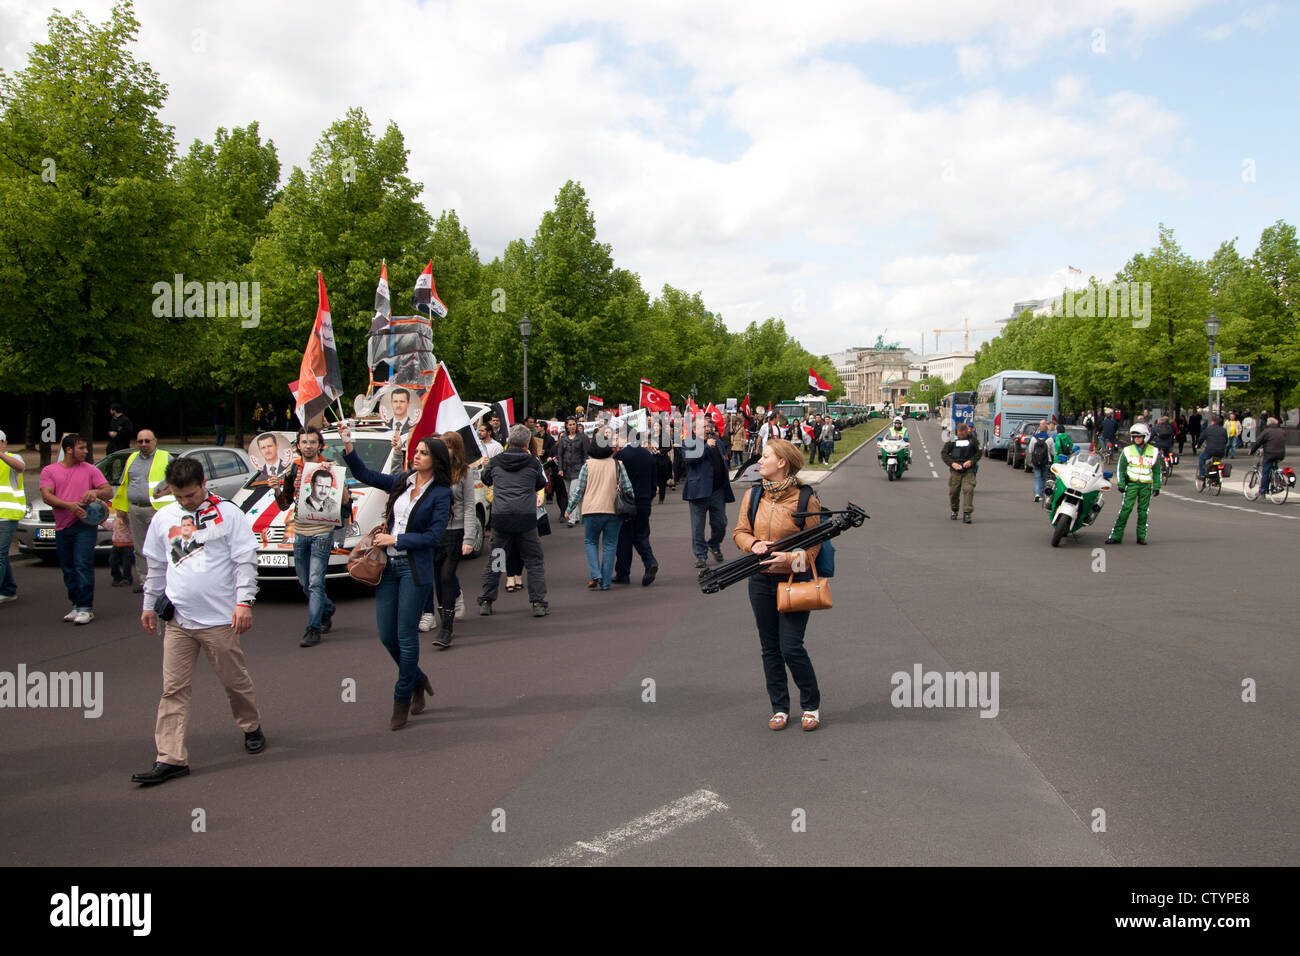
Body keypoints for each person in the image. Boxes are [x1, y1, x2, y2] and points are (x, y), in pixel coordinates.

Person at [132, 455, 265, 786]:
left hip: (219, 620)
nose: (184, 502)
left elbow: (244, 561)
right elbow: (157, 567)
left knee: (234, 682)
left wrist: (244, 602)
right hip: (178, 620)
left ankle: (250, 726)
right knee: (173, 689)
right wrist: (149, 605)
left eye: (190, 495)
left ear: (204, 484)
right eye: (178, 496)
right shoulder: (165, 518)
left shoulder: (228, 515)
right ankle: (171, 757)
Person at [340, 422, 452, 730]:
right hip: (387, 568)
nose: (416, 456)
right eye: (416, 451)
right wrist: (349, 445)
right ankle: (418, 678)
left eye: (424, 453)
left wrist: (397, 540)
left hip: (413, 569)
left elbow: (434, 536)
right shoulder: (403, 480)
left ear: (436, 460)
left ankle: (403, 696)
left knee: (405, 636)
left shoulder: (441, 493)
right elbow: (367, 476)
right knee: (386, 636)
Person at [733, 438, 824, 732]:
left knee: (791, 647)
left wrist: (787, 560)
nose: (759, 461)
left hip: (795, 581)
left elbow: (813, 550)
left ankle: (810, 704)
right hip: (760, 580)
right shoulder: (754, 495)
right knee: (769, 647)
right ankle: (780, 708)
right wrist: (754, 544)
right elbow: (739, 532)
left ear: (782, 462)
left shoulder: (805, 499)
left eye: (765, 456)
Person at [271, 426, 351, 648]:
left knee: (316, 581)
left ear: (320, 445)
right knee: (305, 582)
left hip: (322, 532)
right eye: (304, 442)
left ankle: (313, 629)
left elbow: (344, 501)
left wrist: (337, 476)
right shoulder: (292, 470)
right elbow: (284, 504)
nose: (308, 446)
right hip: (300, 530)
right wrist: (277, 489)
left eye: (312, 442)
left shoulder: (329, 466)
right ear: (298, 445)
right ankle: (326, 608)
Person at [40, 434, 113, 624]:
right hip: (62, 525)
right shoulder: (50, 470)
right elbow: (47, 496)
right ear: (69, 449)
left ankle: (86, 608)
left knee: (82, 564)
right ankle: (75, 604)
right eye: (81, 448)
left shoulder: (90, 470)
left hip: (84, 525)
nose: (86, 451)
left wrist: (95, 492)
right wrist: (69, 506)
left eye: (86, 448)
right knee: (68, 568)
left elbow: (108, 491)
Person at [478, 424, 549, 617]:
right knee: (533, 561)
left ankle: (486, 600)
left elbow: (486, 480)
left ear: (509, 441)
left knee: (497, 560)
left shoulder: (496, 461)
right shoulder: (533, 463)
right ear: (527, 443)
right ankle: (538, 603)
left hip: (501, 517)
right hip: (525, 518)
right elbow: (541, 483)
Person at [423, 430, 476, 648]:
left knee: (446, 577)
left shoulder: (464, 472)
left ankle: (447, 628)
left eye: (449, 446)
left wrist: (469, 537)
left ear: (456, 449)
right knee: (437, 578)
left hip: (455, 532)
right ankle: (443, 615)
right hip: (434, 532)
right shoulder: (433, 471)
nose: (445, 450)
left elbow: (469, 505)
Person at [564, 426, 634, 590]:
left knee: (590, 542)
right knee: (610, 545)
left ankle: (596, 574)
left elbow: (578, 490)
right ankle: (606, 582)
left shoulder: (587, 465)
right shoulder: (618, 465)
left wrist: (569, 509)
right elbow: (629, 489)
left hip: (591, 510)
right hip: (613, 510)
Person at [111, 430, 175, 594]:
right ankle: (145, 581)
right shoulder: (132, 459)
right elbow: (125, 484)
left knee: (163, 546)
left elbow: (176, 480)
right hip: (135, 508)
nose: (143, 444)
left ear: (155, 441)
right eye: (140, 441)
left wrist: (167, 492)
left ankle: (168, 580)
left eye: (147, 441)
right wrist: (122, 508)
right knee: (140, 547)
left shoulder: (165, 457)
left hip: (158, 510)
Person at [681, 416, 735, 567]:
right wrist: (705, 447)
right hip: (698, 491)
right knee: (698, 526)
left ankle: (714, 544)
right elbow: (689, 459)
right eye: (703, 427)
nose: (707, 429)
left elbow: (723, 461)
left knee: (721, 523)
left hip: (717, 490)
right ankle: (701, 555)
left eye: (708, 426)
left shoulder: (717, 442)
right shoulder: (688, 442)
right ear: (693, 429)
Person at [612, 431, 659, 586]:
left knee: (624, 537)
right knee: (641, 534)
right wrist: (649, 496)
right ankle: (649, 561)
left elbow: (616, 480)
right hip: (644, 500)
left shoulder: (620, 456)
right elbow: (654, 480)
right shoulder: (648, 455)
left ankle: (623, 573)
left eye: (619, 437)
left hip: (626, 502)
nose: (616, 440)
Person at [1107, 423, 1160, 544]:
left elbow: (1157, 471)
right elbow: (1121, 468)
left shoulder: (1154, 451)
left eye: (1140, 436)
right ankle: (1116, 536)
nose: (1137, 439)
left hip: (1146, 485)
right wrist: (1121, 484)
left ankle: (1141, 536)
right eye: (1135, 437)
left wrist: (1157, 486)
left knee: (1143, 512)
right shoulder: (1127, 450)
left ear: (1145, 437)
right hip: (1132, 484)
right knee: (1125, 509)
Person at [0, 430, 25, 606]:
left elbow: (20, 467)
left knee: (0, 555)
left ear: (4, 443)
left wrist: (0, 454)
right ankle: (8, 589)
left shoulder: (13, 458)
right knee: (1, 555)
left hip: (7, 516)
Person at [940, 422, 981, 523]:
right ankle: (954, 510)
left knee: (968, 489)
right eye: (960, 432)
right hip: (956, 470)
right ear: (957, 431)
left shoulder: (972, 440)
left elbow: (979, 452)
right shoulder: (953, 439)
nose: (961, 434)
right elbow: (944, 453)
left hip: (968, 469)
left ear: (966, 431)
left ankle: (967, 513)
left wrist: (971, 461)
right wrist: (952, 463)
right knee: (954, 491)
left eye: (963, 432)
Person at [556, 417, 589, 527]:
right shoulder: (563, 438)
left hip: (578, 468)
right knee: (569, 493)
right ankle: (577, 515)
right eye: (570, 424)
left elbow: (586, 454)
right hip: (566, 469)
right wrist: (560, 468)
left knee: (573, 493)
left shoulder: (582, 438)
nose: (572, 426)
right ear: (566, 426)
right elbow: (559, 455)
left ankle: (572, 518)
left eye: (574, 424)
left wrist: (586, 467)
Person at [1249, 416, 1287, 498]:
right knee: (1275, 467)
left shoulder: (1267, 431)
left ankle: (1262, 491)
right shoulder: (1281, 431)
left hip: (1269, 454)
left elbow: (1258, 442)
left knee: (1265, 472)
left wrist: (1252, 451)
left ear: (1268, 423)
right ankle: (1278, 481)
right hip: (1280, 454)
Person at [1025, 420, 1052, 502]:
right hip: (1046, 461)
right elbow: (1053, 451)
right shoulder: (1049, 439)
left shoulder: (1034, 438)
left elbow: (1030, 450)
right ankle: (1042, 494)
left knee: (1037, 477)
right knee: (1044, 478)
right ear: (1047, 429)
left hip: (1036, 461)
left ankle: (1037, 494)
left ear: (1039, 429)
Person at [1197, 415, 1229, 479]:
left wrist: (1198, 445)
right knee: (1217, 461)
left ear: (1213, 422)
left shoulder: (1208, 429)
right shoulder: (1223, 430)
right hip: (1221, 451)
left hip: (1210, 450)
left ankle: (1202, 475)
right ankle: (1217, 477)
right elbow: (1226, 440)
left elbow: (1201, 438)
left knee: (1201, 458)